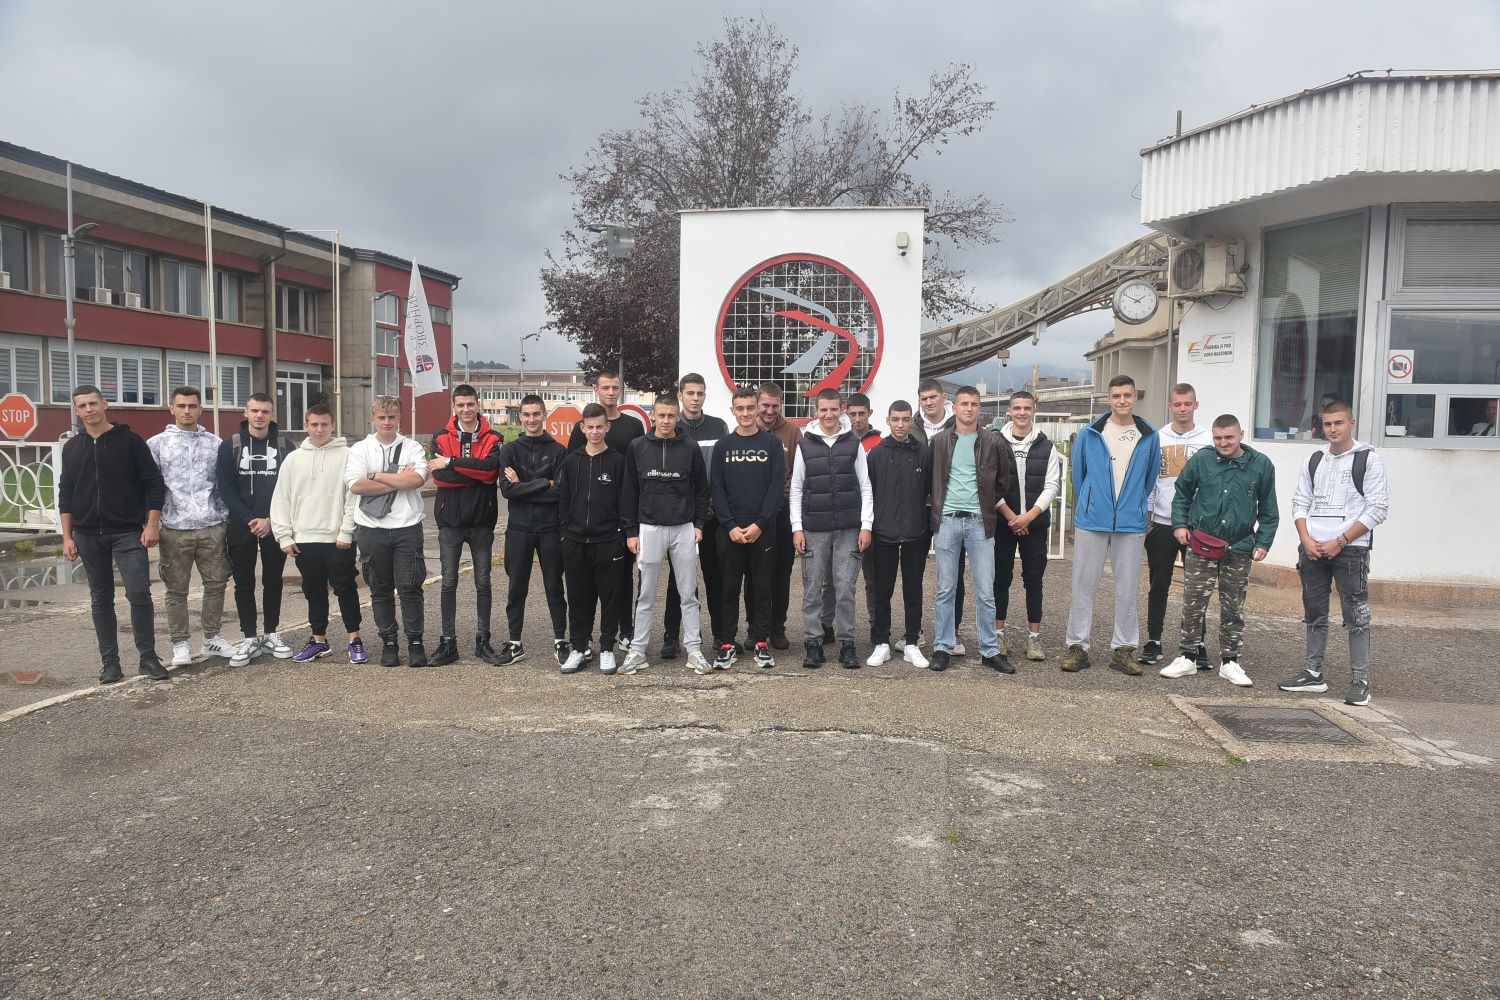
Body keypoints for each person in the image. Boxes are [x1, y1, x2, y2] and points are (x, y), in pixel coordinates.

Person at [1280, 400, 1389, 707]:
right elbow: (1300, 502)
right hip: (1313, 549)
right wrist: (1306, 538)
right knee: (1314, 613)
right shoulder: (1314, 459)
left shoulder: (1368, 459)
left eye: (1338, 423)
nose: (1333, 429)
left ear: (1351, 423)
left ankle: (1360, 681)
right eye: (1327, 424)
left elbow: (1377, 509)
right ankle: (1313, 673)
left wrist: (1340, 541)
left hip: (1350, 550)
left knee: (1356, 616)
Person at [59, 385, 170, 683]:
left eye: (93, 403)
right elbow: (66, 493)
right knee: (100, 598)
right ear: (76, 410)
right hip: (86, 534)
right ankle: (110, 663)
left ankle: (148, 658)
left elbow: (153, 483)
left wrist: (151, 524)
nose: (88, 410)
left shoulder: (130, 441)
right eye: (81, 406)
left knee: (138, 593)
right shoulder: (71, 447)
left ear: (105, 404)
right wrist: (67, 537)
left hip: (127, 532)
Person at [1158, 414, 1278, 686]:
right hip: (1202, 544)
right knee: (1193, 602)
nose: (1223, 443)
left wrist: (1263, 542)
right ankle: (1187, 656)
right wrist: (1179, 524)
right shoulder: (1202, 460)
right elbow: (1183, 493)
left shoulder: (1260, 465)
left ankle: (1230, 661)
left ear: (1241, 435)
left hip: (1239, 547)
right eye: (1218, 438)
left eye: (1229, 437)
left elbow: (1269, 509)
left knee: (1233, 606)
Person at [1062, 375, 1161, 676]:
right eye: (1116, 395)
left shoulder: (1148, 435)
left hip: (1130, 523)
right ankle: (1078, 647)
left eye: (1127, 395)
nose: (1122, 401)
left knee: (1128, 588)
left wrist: (1134, 506)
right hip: (1092, 520)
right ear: (1109, 398)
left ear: (1135, 397)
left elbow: (1150, 477)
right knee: (1083, 585)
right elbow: (1078, 476)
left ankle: (1124, 649)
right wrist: (1092, 503)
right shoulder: (1091, 432)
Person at [620, 395, 712, 675]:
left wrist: (698, 524)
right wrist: (631, 531)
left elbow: (701, 488)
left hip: (683, 527)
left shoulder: (690, 447)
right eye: (661, 416)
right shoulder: (637, 447)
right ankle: (637, 650)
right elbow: (629, 491)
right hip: (649, 528)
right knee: (646, 594)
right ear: (653, 417)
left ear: (677, 416)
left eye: (671, 416)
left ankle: (694, 648)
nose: (666, 421)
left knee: (688, 593)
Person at [270, 404, 366, 663]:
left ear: (333, 425)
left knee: (345, 588)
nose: (319, 429)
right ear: (306, 426)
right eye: (314, 424)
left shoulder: (348, 455)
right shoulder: (293, 459)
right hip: (304, 538)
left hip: (338, 539)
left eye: (324, 424)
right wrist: (285, 536)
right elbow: (282, 498)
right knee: (313, 591)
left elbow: (352, 497)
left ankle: (354, 639)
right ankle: (319, 640)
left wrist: (347, 531)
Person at [928, 386, 1013, 674]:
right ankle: (943, 646)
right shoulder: (939, 441)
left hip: (980, 523)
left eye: (974, 404)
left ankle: (990, 650)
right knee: (945, 589)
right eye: (964, 403)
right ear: (954, 407)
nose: (969, 408)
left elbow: (1003, 483)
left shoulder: (993, 442)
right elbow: (931, 480)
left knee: (985, 590)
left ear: (980, 408)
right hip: (948, 521)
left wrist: (986, 505)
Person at [149, 386, 234, 666]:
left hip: (211, 526)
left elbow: (223, 483)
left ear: (201, 409)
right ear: (171, 408)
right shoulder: (157, 444)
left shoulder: (215, 443)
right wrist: (153, 523)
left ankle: (212, 637)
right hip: (174, 528)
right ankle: (180, 643)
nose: (187, 411)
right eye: (181, 406)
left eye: (192, 406)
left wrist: (224, 516)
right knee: (176, 589)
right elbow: (150, 488)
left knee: (216, 584)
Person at [345, 394, 430, 667]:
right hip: (372, 529)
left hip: (407, 527)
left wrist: (376, 475)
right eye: (381, 417)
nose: (386, 422)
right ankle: (389, 643)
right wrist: (398, 479)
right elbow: (356, 486)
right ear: (373, 419)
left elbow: (417, 479)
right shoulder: (360, 449)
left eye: (391, 417)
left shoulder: (412, 447)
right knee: (380, 590)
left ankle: (415, 642)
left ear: (399, 418)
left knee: (410, 588)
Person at [790, 389, 873, 669]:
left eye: (834, 409)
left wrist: (866, 525)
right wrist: (797, 527)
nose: (828, 415)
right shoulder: (805, 444)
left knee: (845, 587)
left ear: (842, 410)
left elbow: (865, 486)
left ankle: (847, 643)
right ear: (817, 411)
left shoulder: (853, 443)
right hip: (814, 527)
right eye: (823, 409)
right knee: (813, 588)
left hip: (849, 528)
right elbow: (797, 488)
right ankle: (813, 643)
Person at [216, 392, 296, 667]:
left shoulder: (287, 447)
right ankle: (249, 637)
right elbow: (225, 488)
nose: (259, 415)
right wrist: (251, 519)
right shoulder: (230, 446)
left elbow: (292, 489)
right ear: (245, 413)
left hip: (276, 525)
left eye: (265, 411)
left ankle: (271, 633)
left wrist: (272, 521)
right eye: (254, 411)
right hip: (242, 526)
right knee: (243, 582)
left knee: (273, 580)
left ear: (272, 414)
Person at [426, 384, 502, 666]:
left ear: (478, 405)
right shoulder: (440, 437)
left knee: (483, 581)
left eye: (470, 404)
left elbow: (491, 472)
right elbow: (441, 479)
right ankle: (448, 643)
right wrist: (474, 470)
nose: (466, 409)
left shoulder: (494, 437)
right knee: (449, 582)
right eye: (461, 405)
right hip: (450, 522)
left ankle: (483, 640)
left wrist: (452, 462)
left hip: (482, 521)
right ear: (453, 408)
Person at [568, 371, 645, 652]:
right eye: (606, 388)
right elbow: (572, 473)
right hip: (588, 524)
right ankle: (585, 637)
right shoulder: (584, 428)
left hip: (621, 518)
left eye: (616, 387)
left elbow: (639, 470)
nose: (611, 392)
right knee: (586, 586)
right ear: (596, 390)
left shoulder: (633, 427)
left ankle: (625, 630)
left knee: (623, 579)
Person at [710, 386, 784, 670]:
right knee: (729, 589)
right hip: (730, 532)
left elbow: (776, 487)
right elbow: (717, 487)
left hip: (763, 530)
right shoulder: (723, 446)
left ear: (756, 409)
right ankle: (727, 643)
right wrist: (729, 525)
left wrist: (760, 524)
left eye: (749, 408)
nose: (745, 413)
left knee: (762, 588)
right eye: (739, 409)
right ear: (732, 410)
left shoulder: (771, 445)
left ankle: (761, 643)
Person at [492, 394, 569, 666]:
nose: (532, 419)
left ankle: (561, 640)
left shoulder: (559, 450)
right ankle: (515, 643)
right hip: (519, 529)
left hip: (550, 529)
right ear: (520, 417)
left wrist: (525, 486)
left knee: (554, 587)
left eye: (536, 414)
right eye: (526, 415)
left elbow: (560, 492)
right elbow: (507, 491)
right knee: (516, 588)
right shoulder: (509, 450)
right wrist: (543, 483)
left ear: (544, 415)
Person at [1141, 383, 1213, 669]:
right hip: (1162, 521)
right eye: (1177, 404)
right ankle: (1154, 640)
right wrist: (1147, 514)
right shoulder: (1157, 438)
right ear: (1170, 406)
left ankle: (1197, 642)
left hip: (1198, 526)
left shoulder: (1208, 439)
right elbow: (1150, 480)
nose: (1182, 408)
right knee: (1159, 584)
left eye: (1187, 403)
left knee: (1197, 588)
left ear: (1196, 405)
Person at [557, 403, 629, 675]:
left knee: (610, 598)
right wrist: (565, 533)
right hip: (575, 541)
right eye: (590, 427)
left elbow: (625, 503)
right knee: (578, 598)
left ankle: (608, 649)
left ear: (607, 427)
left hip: (608, 542)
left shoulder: (617, 461)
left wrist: (619, 536)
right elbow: (564, 500)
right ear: (582, 428)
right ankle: (578, 648)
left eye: (600, 426)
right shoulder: (572, 460)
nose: (595, 431)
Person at [662, 373, 730, 658]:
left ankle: (720, 636)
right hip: (681, 516)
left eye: (699, 393)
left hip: (713, 516)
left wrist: (714, 506)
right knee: (678, 582)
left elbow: (725, 470)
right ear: (680, 395)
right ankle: (670, 637)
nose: (695, 398)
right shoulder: (671, 429)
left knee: (716, 578)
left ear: (705, 395)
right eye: (690, 393)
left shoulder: (719, 426)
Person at [991, 390, 1061, 663]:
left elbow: (1052, 485)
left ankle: (1034, 637)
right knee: (1000, 579)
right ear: (1009, 411)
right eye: (1017, 408)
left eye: (1027, 408)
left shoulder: (1047, 445)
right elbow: (990, 483)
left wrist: (1029, 516)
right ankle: (998, 633)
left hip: (1035, 524)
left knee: (1034, 580)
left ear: (1034, 410)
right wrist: (1012, 517)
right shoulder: (995, 442)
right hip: (1003, 523)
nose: (1022, 412)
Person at [865, 400, 930, 669]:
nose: (901, 425)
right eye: (895, 420)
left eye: (905, 419)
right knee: (882, 591)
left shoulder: (923, 453)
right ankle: (882, 642)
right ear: (888, 421)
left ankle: (912, 643)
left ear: (911, 421)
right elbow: (868, 493)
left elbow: (929, 491)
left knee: (913, 590)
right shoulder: (876, 454)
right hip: (884, 533)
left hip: (916, 532)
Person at [911, 378, 965, 651]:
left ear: (944, 397)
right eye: (924, 398)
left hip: (951, 507)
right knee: (914, 571)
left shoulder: (959, 426)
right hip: (919, 508)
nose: (929, 402)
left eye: (933, 397)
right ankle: (914, 630)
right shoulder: (909, 427)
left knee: (953, 573)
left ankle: (952, 632)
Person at [748, 382, 802, 650]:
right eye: (765, 405)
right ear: (758, 404)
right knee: (754, 574)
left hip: (782, 514)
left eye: (774, 405)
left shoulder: (792, 432)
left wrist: (778, 497)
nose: (769, 411)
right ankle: (753, 628)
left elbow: (797, 473)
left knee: (781, 573)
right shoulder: (748, 429)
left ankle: (777, 627)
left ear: (781, 404)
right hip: (753, 516)